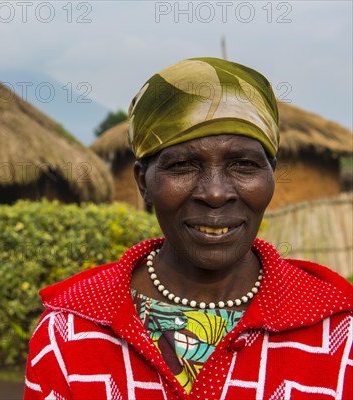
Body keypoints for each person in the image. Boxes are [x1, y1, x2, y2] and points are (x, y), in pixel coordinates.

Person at [24, 58, 353, 400]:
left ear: (271, 175)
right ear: (143, 182)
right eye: (182, 165)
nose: (214, 193)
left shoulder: (337, 333)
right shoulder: (70, 333)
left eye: (243, 165)